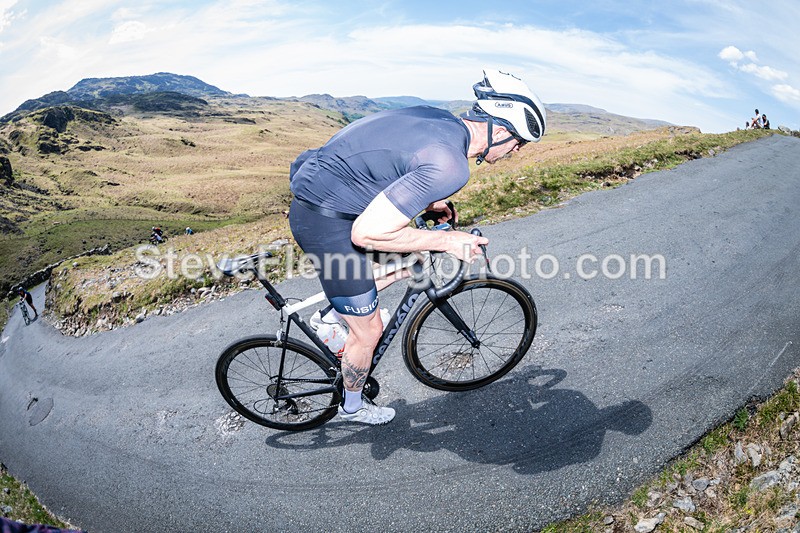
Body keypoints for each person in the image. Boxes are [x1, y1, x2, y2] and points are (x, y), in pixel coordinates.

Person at [288, 69, 546, 425]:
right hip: (328, 222)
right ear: (499, 130)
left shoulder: (440, 119)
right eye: (518, 142)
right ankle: (352, 406)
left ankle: (335, 314)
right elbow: (366, 235)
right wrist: (449, 239)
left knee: (414, 259)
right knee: (370, 331)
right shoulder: (452, 166)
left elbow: (392, 167)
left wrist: (427, 205)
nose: (515, 151)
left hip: (326, 191)